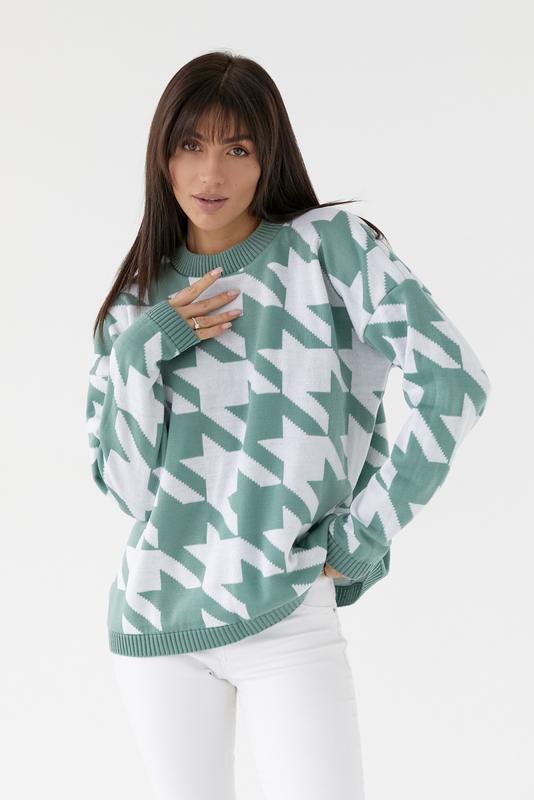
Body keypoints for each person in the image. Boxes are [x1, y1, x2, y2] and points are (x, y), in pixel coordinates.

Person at [85, 51, 492, 800]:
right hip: (155, 621)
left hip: (286, 614)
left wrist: (364, 534)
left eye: (238, 148)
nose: (211, 172)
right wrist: (143, 350)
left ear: (269, 158)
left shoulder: (327, 247)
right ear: (162, 157)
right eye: (190, 145)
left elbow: (453, 382)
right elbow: (132, 492)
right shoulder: (135, 303)